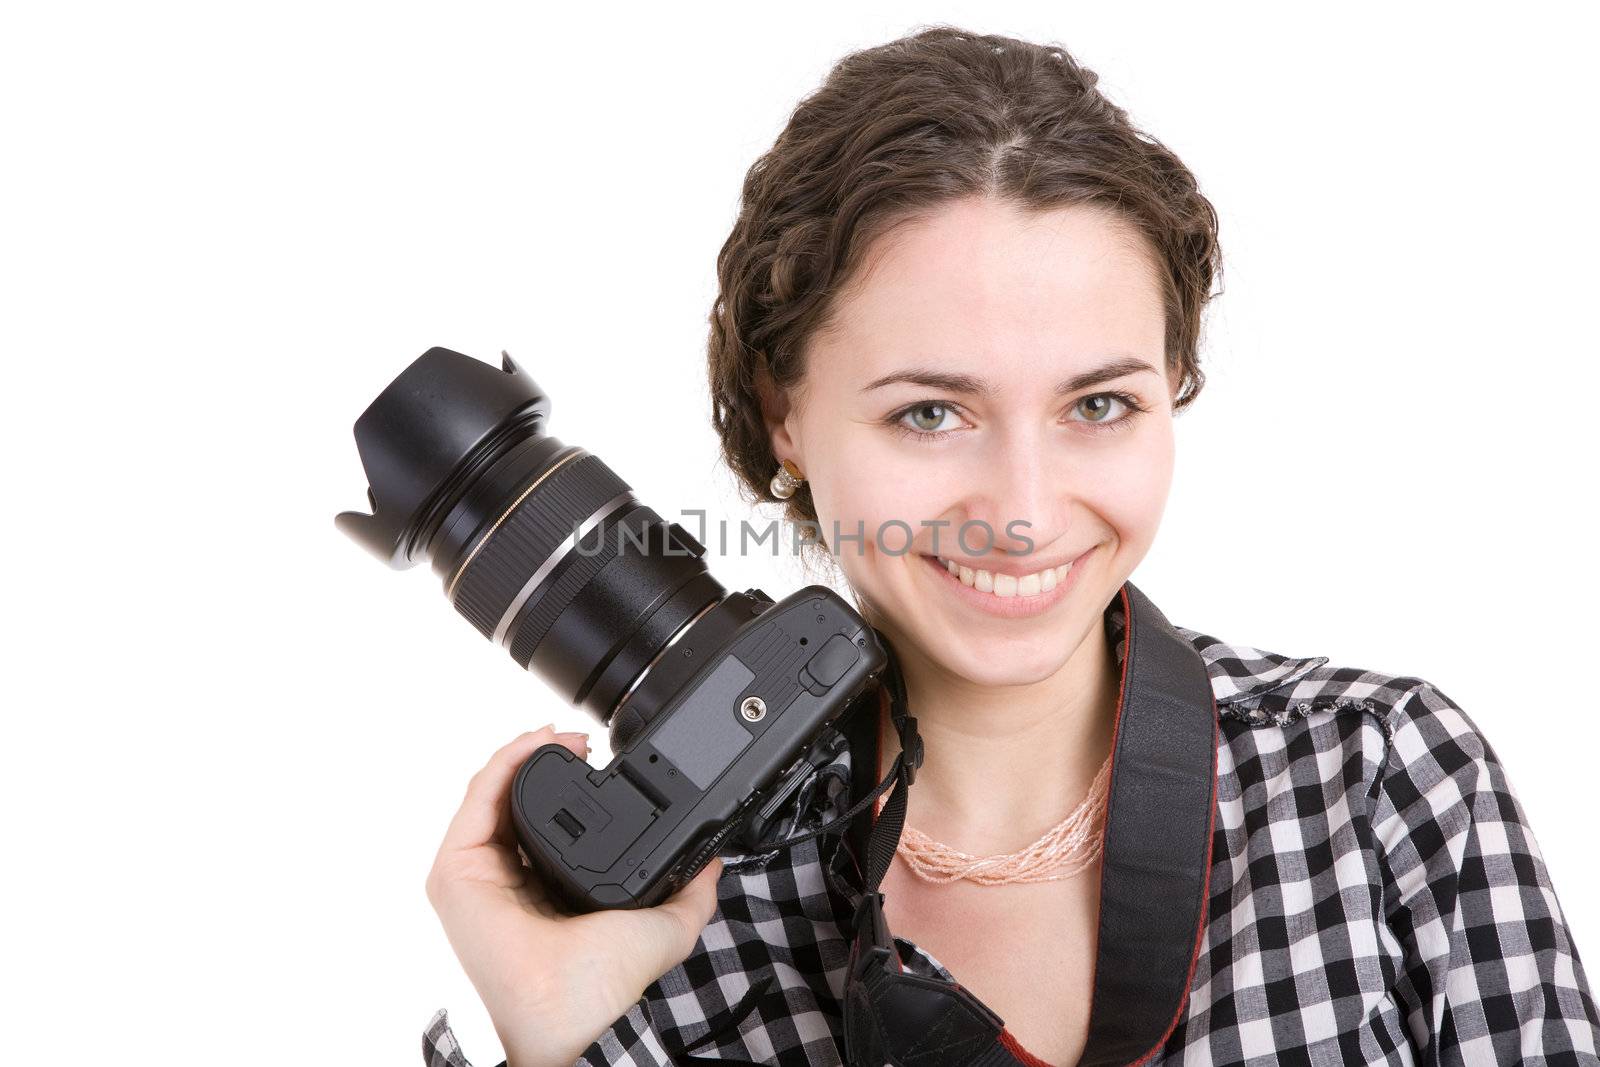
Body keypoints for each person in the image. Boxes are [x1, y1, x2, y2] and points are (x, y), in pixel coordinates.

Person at [420, 25, 1600, 1067]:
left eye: (1099, 405)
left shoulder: (1375, 778)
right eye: (930, 413)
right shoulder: (661, 919)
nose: (1025, 509)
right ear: (786, 414)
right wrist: (539, 1035)